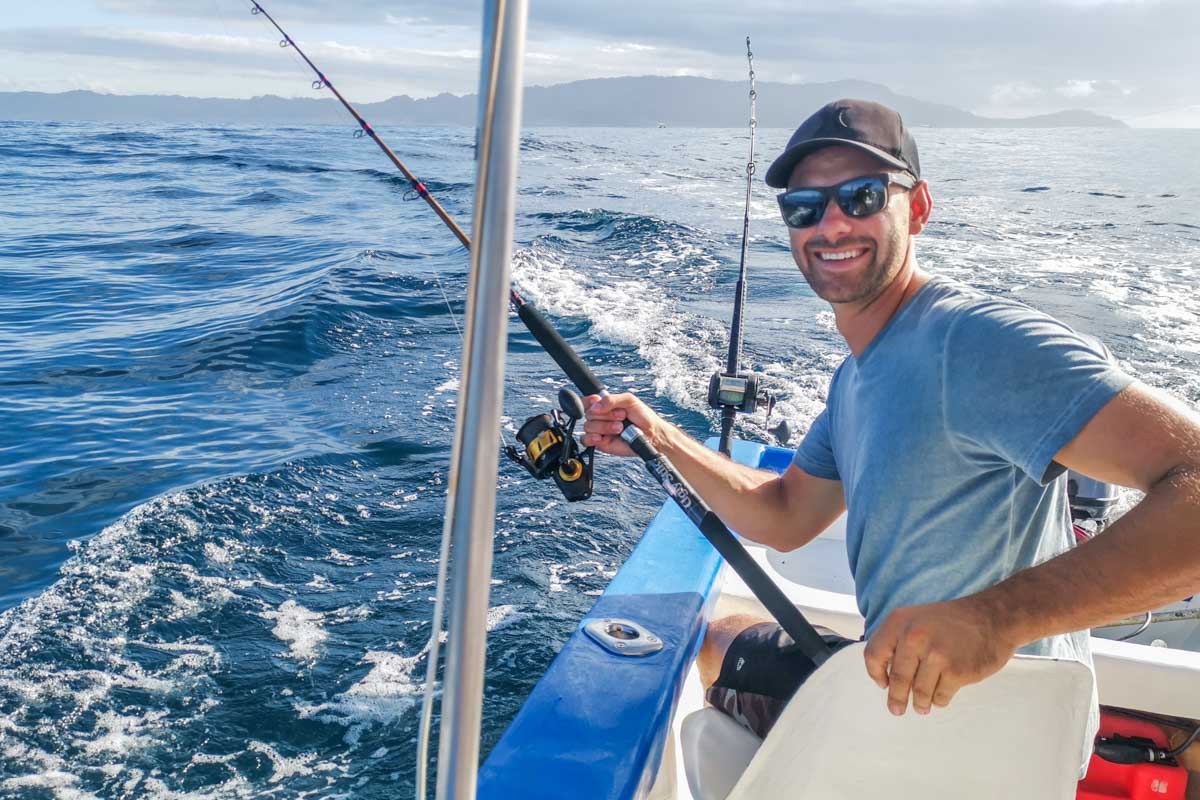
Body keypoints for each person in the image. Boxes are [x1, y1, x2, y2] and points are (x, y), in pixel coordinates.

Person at [582, 99, 1200, 759]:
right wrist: (658, 436)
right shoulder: (855, 382)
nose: (832, 223)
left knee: (714, 638)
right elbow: (785, 514)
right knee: (728, 635)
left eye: (862, 195)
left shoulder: (973, 342)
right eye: (806, 207)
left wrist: (998, 616)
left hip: (980, 738)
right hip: (902, 706)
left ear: (919, 207)